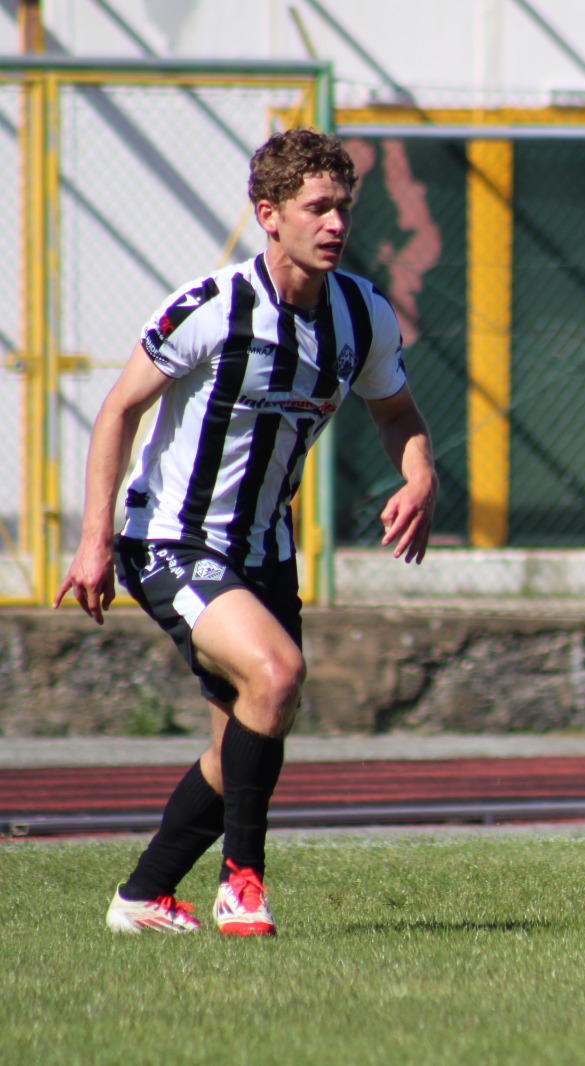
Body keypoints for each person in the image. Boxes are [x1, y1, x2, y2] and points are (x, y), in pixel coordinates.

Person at [55, 128, 437, 936]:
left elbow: (396, 410)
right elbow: (119, 410)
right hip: (170, 539)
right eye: (316, 208)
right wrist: (92, 541)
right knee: (278, 669)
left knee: (243, 743)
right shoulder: (212, 308)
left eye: (344, 207)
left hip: (265, 552)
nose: (335, 224)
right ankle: (242, 882)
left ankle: (140, 898)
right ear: (268, 215)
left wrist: (420, 475)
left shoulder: (360, 315)